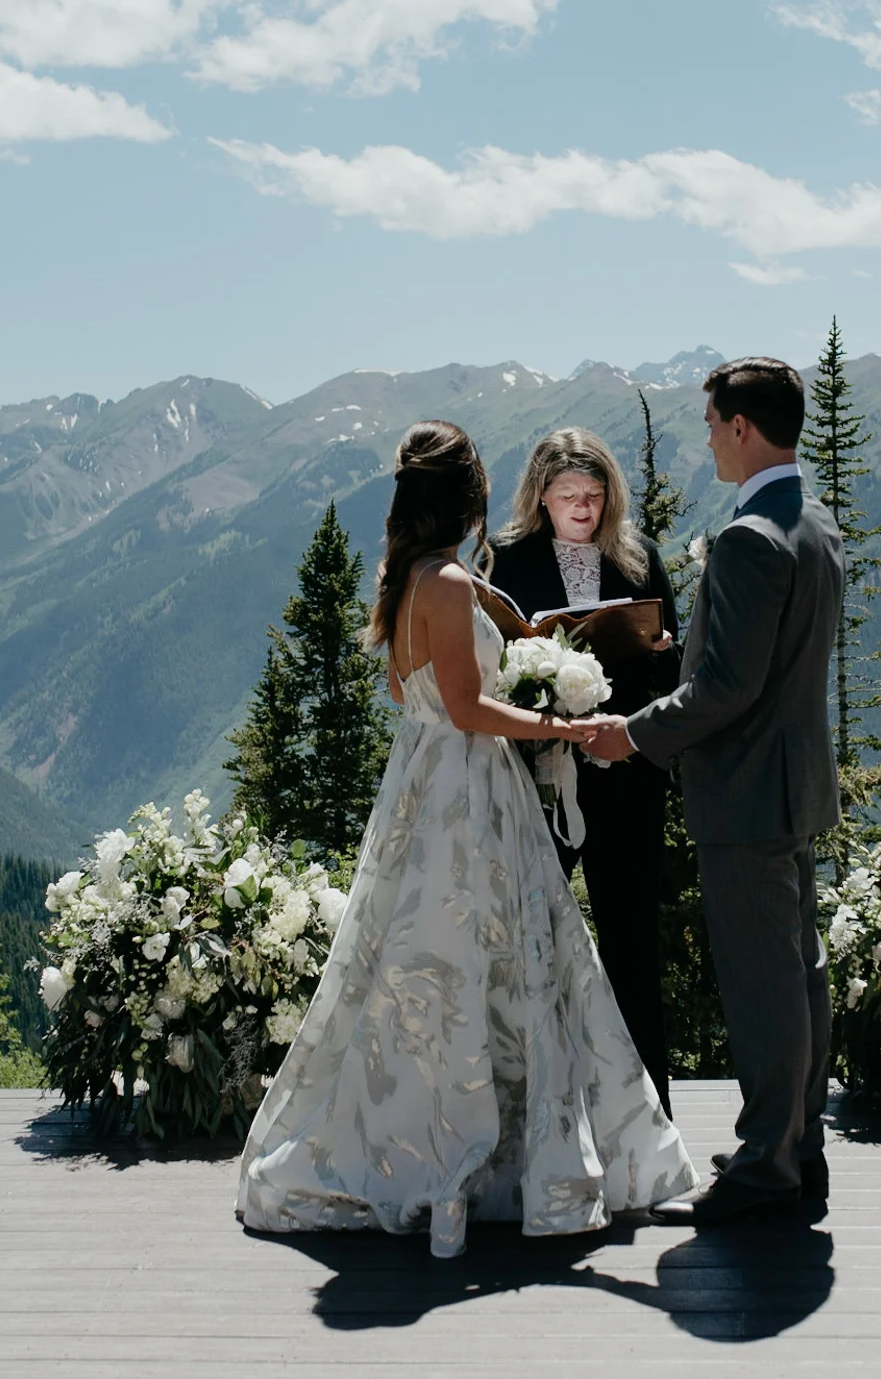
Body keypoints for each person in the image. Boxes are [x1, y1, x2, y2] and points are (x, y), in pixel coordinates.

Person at [236, 420, 695, 1260]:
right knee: (498, 958)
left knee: (427, 962)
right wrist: (564, 718)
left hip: (426, 782)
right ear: (470, 497)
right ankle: (479, 1145)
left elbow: (415, 689)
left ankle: (429, 1126)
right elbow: (470, 707)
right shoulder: (447, 582)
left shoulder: (415, 579)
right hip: (469, 783)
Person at [583, 358, 842, 1227]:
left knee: (765, 982)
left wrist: (635, 732)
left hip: (744, 793)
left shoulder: (746, 539)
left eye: (711, 422)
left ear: (740, 427)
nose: (705, 438)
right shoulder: (814, 523)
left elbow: (727, 686)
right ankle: (795, 1147)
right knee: (799, 974)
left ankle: (767, 1163)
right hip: (796, 781)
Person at [486, 428, 682, 1115]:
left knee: (633, 947)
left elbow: (673, 672)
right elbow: (488, 665)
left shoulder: (638, 558)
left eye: (595, 494)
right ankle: (535, 1111)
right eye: (569, 493)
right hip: (540, 780)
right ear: (541, 494)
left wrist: (655, 650)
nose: (583, 506)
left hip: (625, 776)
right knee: (531, 943)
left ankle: (648, 1113)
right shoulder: (504, 560)